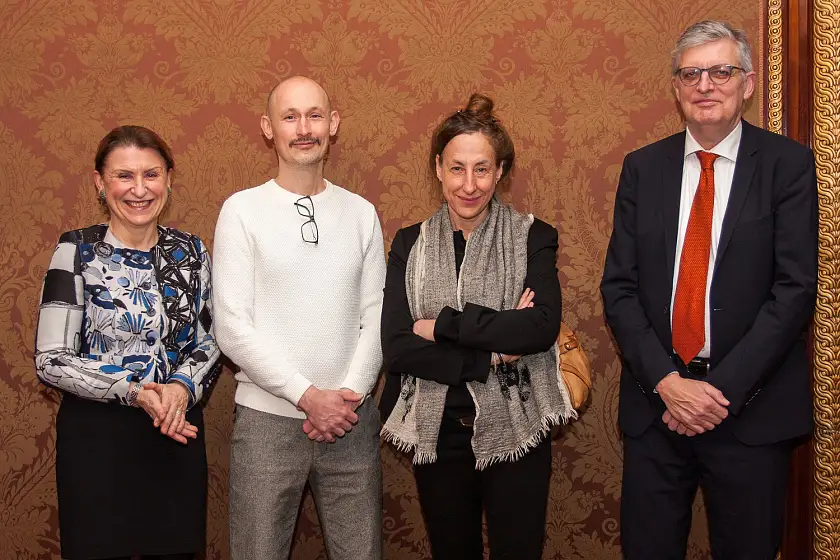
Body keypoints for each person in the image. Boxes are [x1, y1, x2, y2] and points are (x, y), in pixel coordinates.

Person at [600, 20, 817, 559]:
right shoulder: (642, 169)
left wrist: (716, 393)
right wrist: (669, 384)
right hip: (658, 410)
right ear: (675, 88)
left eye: (721, 71)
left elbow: (793, 291)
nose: (705, 85)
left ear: (746, 84)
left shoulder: (787, 166)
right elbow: (619, 288)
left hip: (749, 411)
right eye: (691, 73)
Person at [379, 93, 573, 560]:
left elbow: (540, 328)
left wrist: (442, 324)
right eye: (457, 168)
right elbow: (398, 348)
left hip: (518, 428)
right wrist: (491, 352)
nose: (469, 184)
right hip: (439, 433)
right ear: (438, 169)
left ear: (500, 171)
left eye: (482, 169)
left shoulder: (534, 237)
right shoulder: (410, 243)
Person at [213, 76, 386, 560]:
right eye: (290, 117)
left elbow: (375, 315)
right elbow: (230, 325)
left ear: (333, 124)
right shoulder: (241, 211)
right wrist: (308, 397)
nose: (303, 128)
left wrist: (345, 398)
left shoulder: (361, 213)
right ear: (269, 128)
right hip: (267, 423)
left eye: (314, 115)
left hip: (351, 424)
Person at [34, 125, 221, 560]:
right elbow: (51, 359)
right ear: (100, 182)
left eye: (150, 175)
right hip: (97, 441)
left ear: (169, 179)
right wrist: (135, 392)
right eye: (124, 176)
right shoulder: (75, 250)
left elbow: (210, 339)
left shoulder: (190, 251)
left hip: (175, 431)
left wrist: (179, 389)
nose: (139, 189)